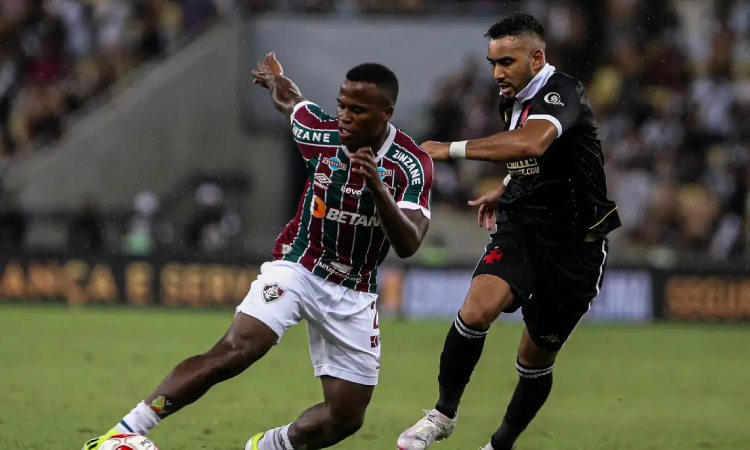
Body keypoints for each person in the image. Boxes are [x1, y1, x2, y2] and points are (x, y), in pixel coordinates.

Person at [82, 53, 433, 450]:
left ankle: (266, 446)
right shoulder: (322, 133)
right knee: (237, 349)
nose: (344, 116)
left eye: (357, 110)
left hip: (355, 291)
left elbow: (409, 243)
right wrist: (274, 78)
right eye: (341, 105)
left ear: (386, 113)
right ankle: (124, 432)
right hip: (299, 267)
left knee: (346, 417)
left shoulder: (410, 165)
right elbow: (292, 102)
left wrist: (378, 190)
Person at [397, 13, 620, 450]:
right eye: (492, 62)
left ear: (536, 58)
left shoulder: (565, 93)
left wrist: (449, 149)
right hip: (522, 229)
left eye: (507, 62)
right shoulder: (511, 96)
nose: (497, 73)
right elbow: (535, 160)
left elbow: (532, 143)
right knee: (475, 311)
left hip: (576, 249)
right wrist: (506, 186)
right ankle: (441, 416)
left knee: (533, 360)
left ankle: (500, 445)